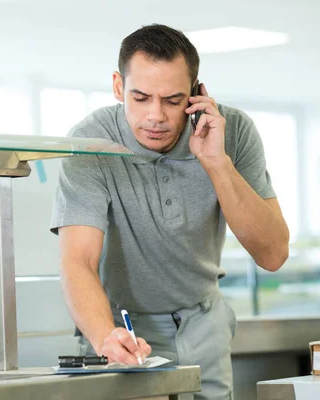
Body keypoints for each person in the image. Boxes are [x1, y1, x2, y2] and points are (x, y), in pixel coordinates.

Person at [50, 23, 289, 400]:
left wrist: (217, 162)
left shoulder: (234, 131)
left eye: (173, 100)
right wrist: (105, 336)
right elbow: (77, 260)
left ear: (195, 94)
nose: (156, 116)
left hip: (204, 322)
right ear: (118, 87)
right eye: (140, 97)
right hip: (124, 330)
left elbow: (273, 254)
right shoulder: (89, 143)